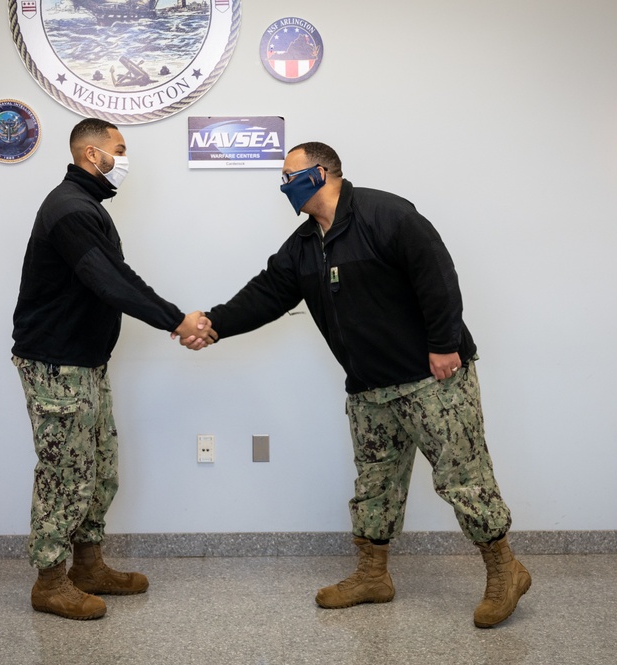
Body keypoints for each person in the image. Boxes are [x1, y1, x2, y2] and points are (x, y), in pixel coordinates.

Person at [194, 142, 530, 628]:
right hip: (370, 389)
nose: (284, 186)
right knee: (374, 486)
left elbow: (438, 275)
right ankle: (373, 576)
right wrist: (213, 325)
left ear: (322, 171)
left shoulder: (386, 214)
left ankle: (505, 570)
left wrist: (443, 343)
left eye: (291, 175)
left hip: (431, 378)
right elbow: (265, 294)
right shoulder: (304, 245)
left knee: (463, 478)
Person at [11, 118, 214, 621]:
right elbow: (109, 282)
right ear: (92, 155)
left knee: (97, 467)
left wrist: (172, 317)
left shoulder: (84, 207)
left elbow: (118, 277)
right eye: (119, 150)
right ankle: (49, 582)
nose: (124, 160)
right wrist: (177, 320)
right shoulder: (70, 210)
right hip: (58, 366)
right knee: (65, 474)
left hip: (84, 364)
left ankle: (88, 566)